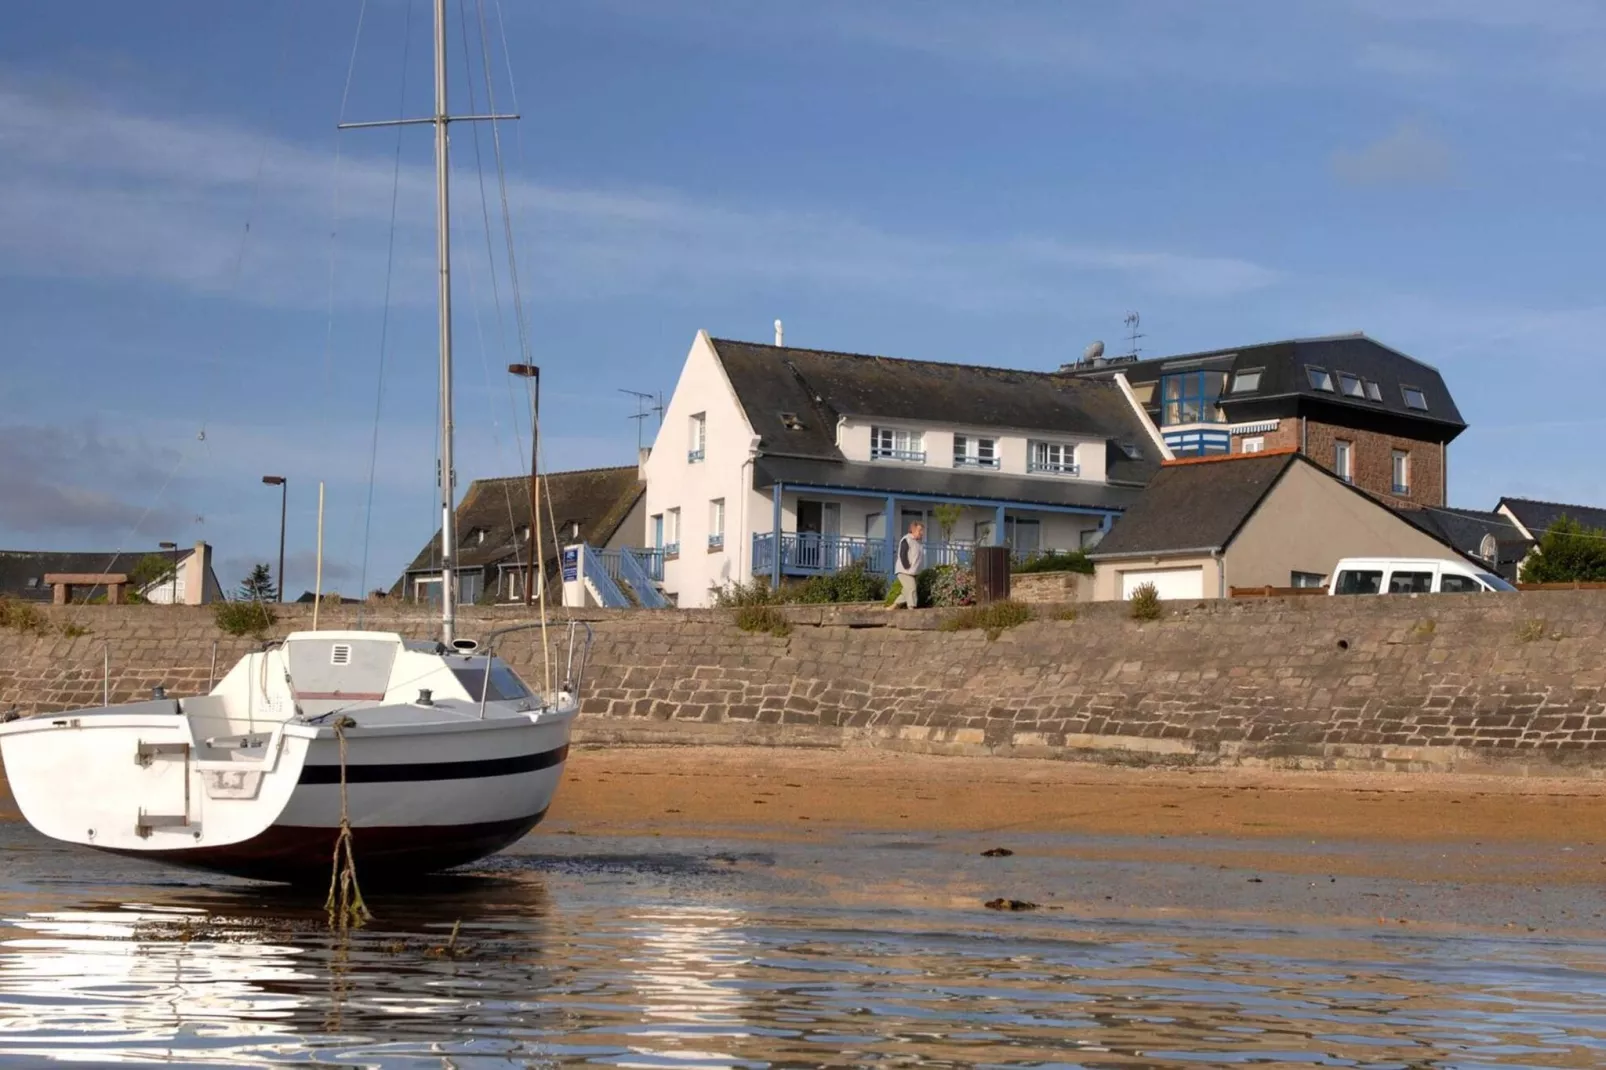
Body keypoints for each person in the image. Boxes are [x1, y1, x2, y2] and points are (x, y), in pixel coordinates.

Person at [893, 521, 925, 609]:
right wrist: (907, 566)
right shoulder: (906, 539)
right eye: (920, 530)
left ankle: (894, 606)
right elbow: (902, 554)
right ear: (913, 530)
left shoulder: (918, 543)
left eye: (922, 531)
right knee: (911, 588)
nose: (922, 533)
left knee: (906, 591)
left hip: (913, 571)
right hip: (904, 570)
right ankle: (911, 608)